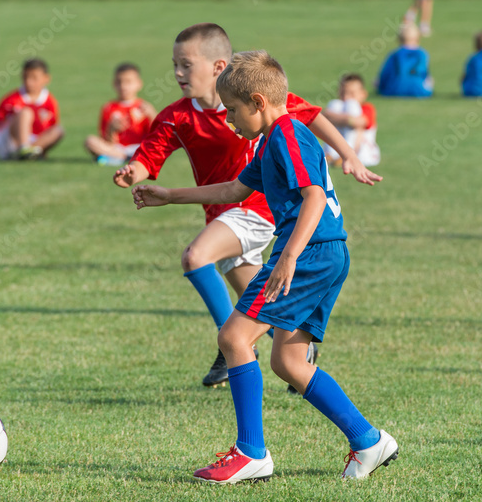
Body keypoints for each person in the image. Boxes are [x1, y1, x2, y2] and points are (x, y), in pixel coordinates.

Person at [132, 50, 399, 483]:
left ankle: (252, 453)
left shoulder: (289, 134)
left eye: (234, 111)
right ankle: (368, 440)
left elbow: (313, 197)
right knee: (289, 363)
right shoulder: (273, 138)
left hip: (309, 253)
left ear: (258, 102)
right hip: (324, 252)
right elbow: (235, 188)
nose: (230, 121)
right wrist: (170, 195)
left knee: (234, 337)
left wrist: (288, 257)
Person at [113, 24, 381, 390]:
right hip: (224, 213)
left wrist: (349, 155)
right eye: (174, 64)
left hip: (260, 211)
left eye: (186, 65)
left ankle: (232, 350)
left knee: (196, 259)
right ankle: (295, 356)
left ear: (218, 66)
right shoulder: (178, 116)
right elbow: (154, 157)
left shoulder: (261, 102)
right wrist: (135, 173)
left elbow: (311, 117)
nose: (177, 73)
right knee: (266, 308)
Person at [0, 58, 65, 160]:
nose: (29, 82)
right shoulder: (12, 99)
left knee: (58, 130)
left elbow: (49, 128)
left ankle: (28, 154)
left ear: (46, 78)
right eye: (26, 77)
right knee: (25, 113)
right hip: (8, 142)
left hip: (32, 140)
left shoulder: (50, 102)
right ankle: (24, 149)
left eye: (34, 78)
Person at [85, 63, 157, 166]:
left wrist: (152, 114)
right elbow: (106, 141)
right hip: (117, 148)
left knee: (154, 146)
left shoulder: (144, 107)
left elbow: (156, 134)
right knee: (90, 141)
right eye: (119, 82)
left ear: (139, 84)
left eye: (128, 82)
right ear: (114, 84)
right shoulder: (109, 107)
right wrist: (111, 129)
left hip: (138, 147)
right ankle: (126, 158)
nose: (123, 86)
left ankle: (114, 159)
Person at [322, 73, 380, 167]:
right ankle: (331, 154)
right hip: (340, 146)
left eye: (351, 93)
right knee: (335, 104)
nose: (346, 97)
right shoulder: (339, 107)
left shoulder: (367, 108)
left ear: (363, 94)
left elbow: (358, 122)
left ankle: (345, 155)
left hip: (363, 152)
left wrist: (330, 116)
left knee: (351, 105)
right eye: (343, 93)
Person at [377, 23, 433, 98]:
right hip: (419, 91)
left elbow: (385, 75)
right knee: (430, 81)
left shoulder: (395, 54)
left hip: (394, 90)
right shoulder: (422, 54)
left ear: (399, 39)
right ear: (418, 38)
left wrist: (381, 87)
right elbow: (424, 74)